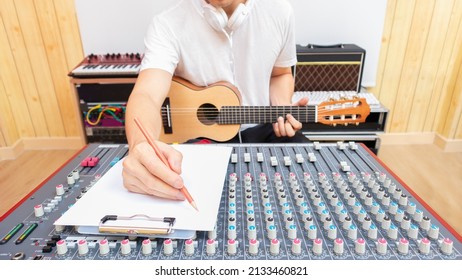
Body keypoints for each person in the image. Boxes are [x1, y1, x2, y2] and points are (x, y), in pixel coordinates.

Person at [122, 0, 309, 201]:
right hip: (200, 139)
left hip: (262, 129)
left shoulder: (280, 11)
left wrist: (281, 108)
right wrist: (140, 145)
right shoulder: (167, 23)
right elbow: (146, 94)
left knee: (308, 173)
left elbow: (280, 74)